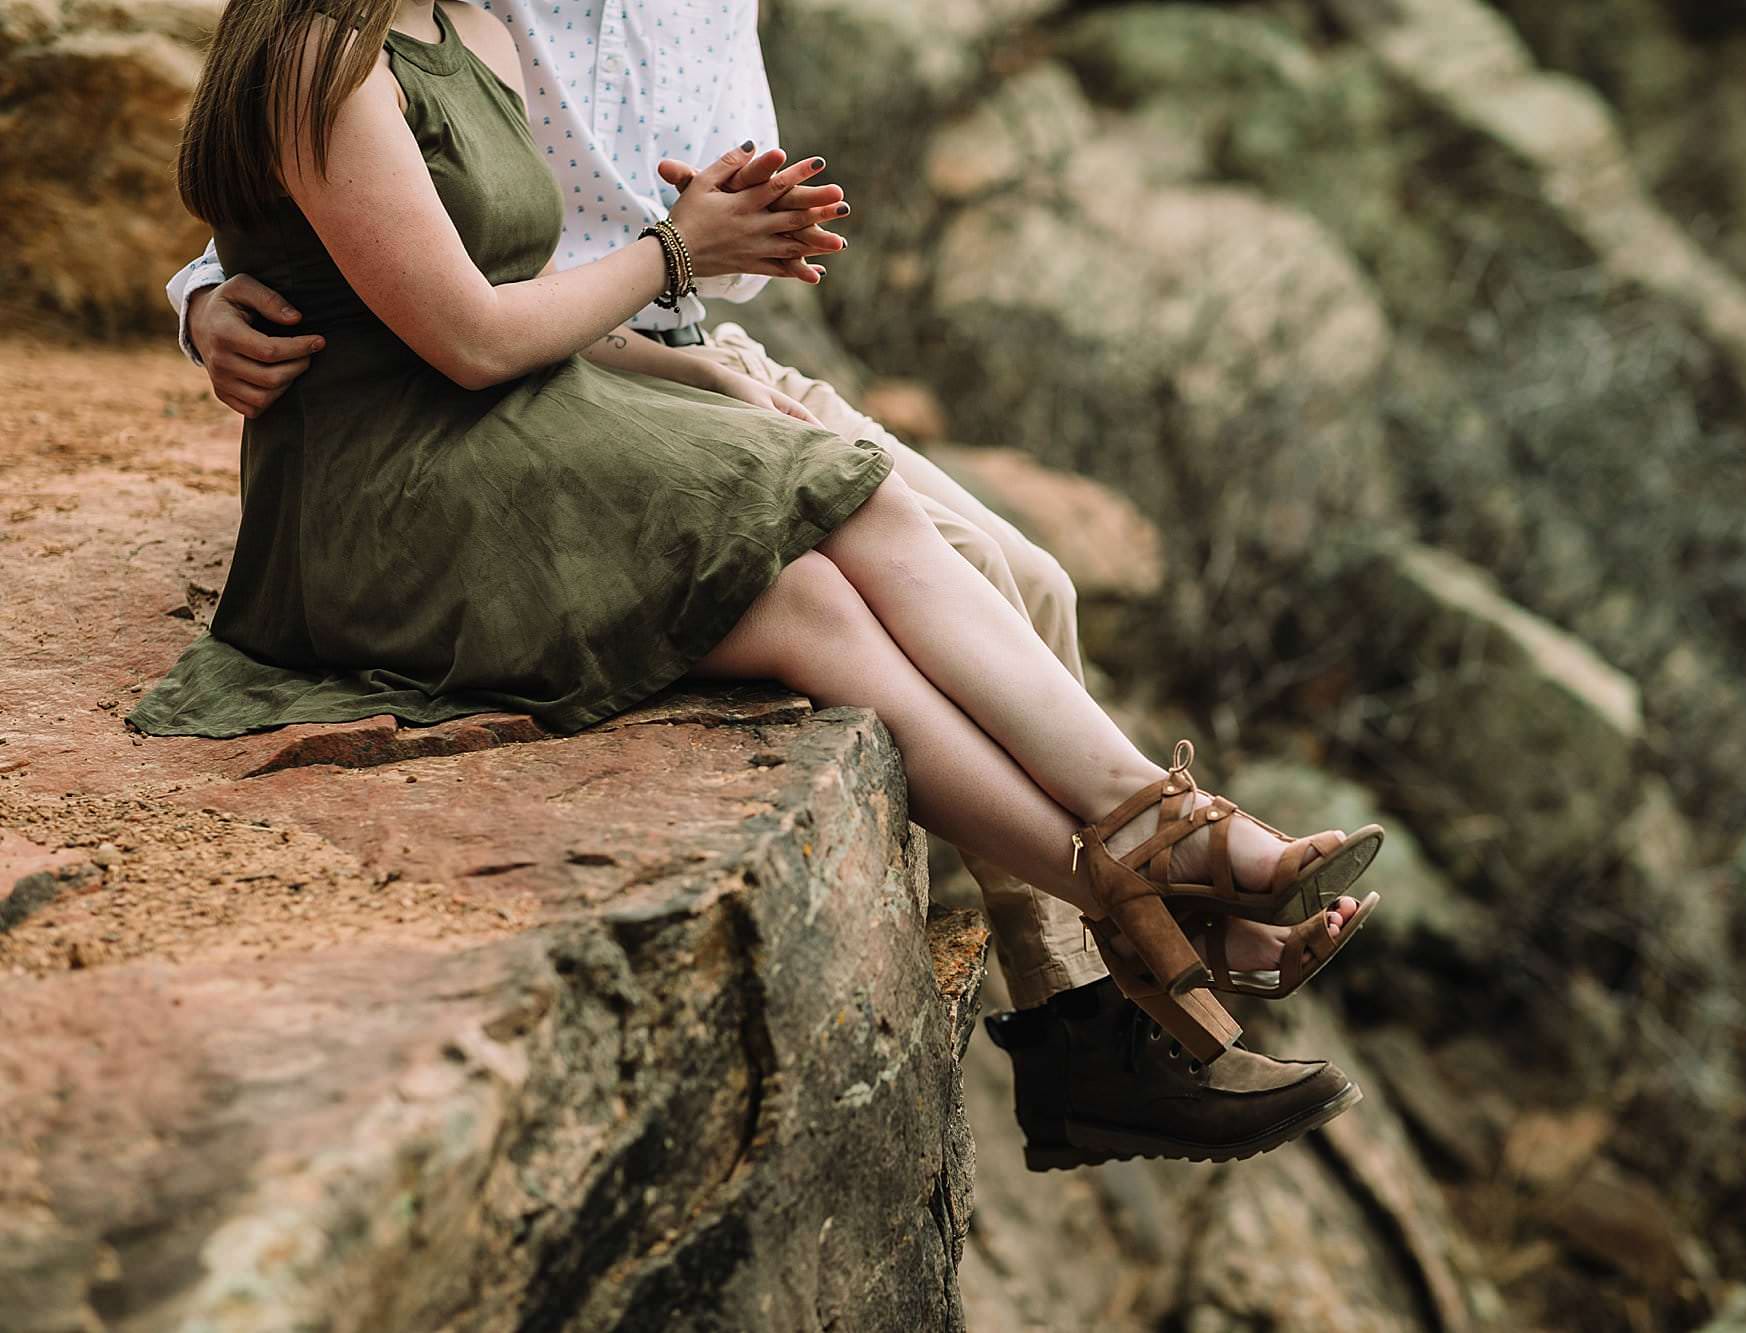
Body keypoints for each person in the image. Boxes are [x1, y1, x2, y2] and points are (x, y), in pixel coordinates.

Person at [137, 0, 1385, 1167]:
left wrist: (717, 275)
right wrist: (205, 303)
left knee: (887, 592)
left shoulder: (466, 25)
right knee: (908, 540)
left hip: (605, 363)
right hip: (435, 448)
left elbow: (453, 253)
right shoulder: (345, 44)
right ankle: (1170, 887)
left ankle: (1143, 893)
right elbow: (388, 276)